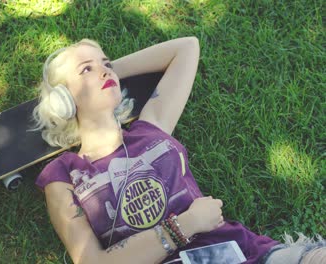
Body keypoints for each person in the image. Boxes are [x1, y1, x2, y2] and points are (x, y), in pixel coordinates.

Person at [33, 37, 325, 264]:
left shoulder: (151, 127)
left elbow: (186, 48)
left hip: (244, 251)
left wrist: (106, 73)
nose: (104, 70)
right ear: (63, 100)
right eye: (87, 68)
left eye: (106, 63)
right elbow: (91, 261)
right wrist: (185, 225)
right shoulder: (64, 176)